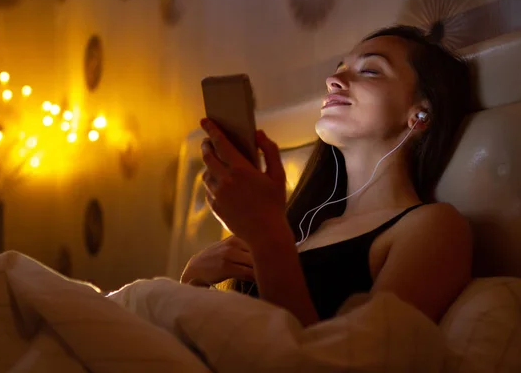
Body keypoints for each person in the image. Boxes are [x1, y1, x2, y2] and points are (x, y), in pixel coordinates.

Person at [180, 25, 475, 327]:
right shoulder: (301, 227)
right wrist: (194, 278)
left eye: (371, 71)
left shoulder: (433, 226)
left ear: (420, 114)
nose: (333, 80)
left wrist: (266, 236)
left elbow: (354, 357)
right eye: (339, 70)